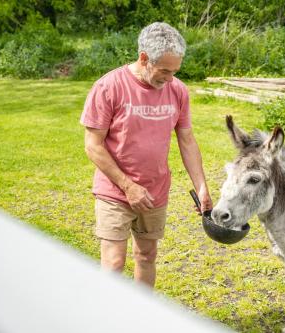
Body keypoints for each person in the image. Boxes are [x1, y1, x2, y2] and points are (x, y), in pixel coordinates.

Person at [80, 22, 213, 288]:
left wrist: (201, 187)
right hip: (115, 191)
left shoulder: (177, 90)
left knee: (146, 255)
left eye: (175, 71)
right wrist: (128, 186)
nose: (170, 78)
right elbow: (93, 145)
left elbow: (186, 139)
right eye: (164, 70)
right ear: (144, 58)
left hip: (155, 191)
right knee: (113, 264)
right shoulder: (109, 87)